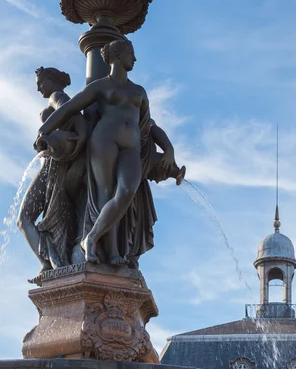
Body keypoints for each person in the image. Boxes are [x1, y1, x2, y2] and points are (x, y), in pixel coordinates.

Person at [37, 39, 184, 266]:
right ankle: (113, 251)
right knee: (106, 193)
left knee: (126, 192)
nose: (134, 59)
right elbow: (69, 108)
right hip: (104, 141)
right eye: (131, 54)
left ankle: (91, 238)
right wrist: (44, 130)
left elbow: (150, 126)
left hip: (132, 146)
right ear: (117, 55)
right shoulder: (101, 86)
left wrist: (169, 149)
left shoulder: (139, 91)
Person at [18, 67, 86, 279]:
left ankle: (50, 264)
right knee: (28, 219)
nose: (38, 87)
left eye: (40, 82)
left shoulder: (58, 96)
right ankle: (50, 264)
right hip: (56, 162)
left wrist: (44, 132)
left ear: (52, 79)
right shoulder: (56, 98)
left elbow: (72, 117)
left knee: (24, 218)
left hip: (55, 164)